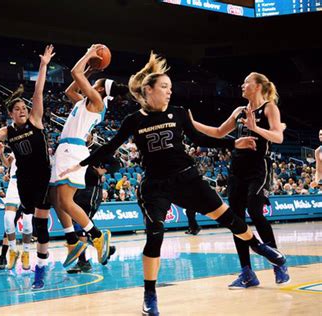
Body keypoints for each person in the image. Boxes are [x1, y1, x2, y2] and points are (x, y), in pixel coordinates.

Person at [60, 53, 287, 316]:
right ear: (148, 90)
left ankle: (262, 249)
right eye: (165, 87)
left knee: (233, 221)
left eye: (170, 88)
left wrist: (232, 143)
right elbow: (111, 147)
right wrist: (80, 164)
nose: (170, 92)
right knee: (154, 236)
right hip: (155, 186)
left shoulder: (178, 113)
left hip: (188, 179)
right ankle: (150, 295)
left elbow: (200, 140)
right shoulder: (133, 120)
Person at [189, 72, 290, 288]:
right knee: (236, 220)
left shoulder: (269, 108)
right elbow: (218, 132)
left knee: (254, 210)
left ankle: (277, 262)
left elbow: (278, 137)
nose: (242, 85)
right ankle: (247, 272)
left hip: (258, 168)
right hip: (237, 169)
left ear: (258, 86)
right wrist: (192, 123)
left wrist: (255, 129)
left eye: (246, 82)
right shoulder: (239, 111)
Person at [0, 45, 54, 290]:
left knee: (40, 225)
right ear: (10, 113)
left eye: (23, 108)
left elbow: (38, 91)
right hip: (23, 181)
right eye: (17, 109)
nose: (22, 111)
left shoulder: (35, 120)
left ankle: (39, 270)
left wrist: (43, 65)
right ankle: (19, 252)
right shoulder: (8, 131)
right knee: (23, 221)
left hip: (43, 178)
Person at [49, 44, 128, 268]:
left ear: (101, 90)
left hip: (73, 150)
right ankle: (73, 241)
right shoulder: (85, 102)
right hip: (66, 149)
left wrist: (88, 55)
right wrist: (91, 71)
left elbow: (75, 73)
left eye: (96, 83)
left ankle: (97, 236)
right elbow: (69, 91)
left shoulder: (97, 101)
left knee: (65, 200)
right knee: (56, 199)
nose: (92, 84)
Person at [67, 133, 120, 273]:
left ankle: (83, 262)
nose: (84, 136)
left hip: (91, 191)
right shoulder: (75, 149)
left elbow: (116, 164)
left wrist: (104, 170)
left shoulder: (98, 148)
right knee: (80, 224)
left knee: (81, 225)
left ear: (92, 135)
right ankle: (104, 248)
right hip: (77, 190)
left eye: (86, 133)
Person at [0, 143, 33, 270]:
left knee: (28, 222)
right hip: (14, 184)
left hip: (29, 184)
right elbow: (8, 164)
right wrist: (1, 154)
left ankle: (26, 253)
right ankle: (12, 251)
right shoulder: (16, 149)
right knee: (8, 219)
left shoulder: (35, 147)